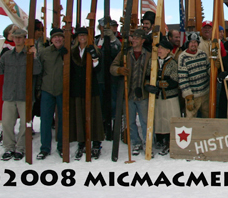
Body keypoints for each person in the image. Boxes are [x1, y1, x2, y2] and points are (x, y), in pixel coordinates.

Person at [0, 28, 41, 161]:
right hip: (9, 95)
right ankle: (8, 148)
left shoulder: (29, 55)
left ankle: (20, 148)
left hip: (25, 95)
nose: (18, 40)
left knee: (25, 124)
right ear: (12, 39)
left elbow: (37, 70)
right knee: (7, 124)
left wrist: (35, 57)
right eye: (16, 37)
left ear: (25, 39)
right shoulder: (7, 55)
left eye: (21, 37)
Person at [110, 28, 152, 156]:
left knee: (145, 121)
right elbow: (112, 67)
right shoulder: (125, 53)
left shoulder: (149, 55)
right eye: (133, 37)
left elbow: (152, 73)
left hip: (143, 94)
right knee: (130, 121)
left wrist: (147, 83)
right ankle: (136, 142)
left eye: (137, 38)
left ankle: (147, 143)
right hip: (128, 93)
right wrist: (119, 70)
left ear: (143, 40)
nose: (134, 40)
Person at [69, 27, 104, 160]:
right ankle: (81, 141)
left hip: (91, 87)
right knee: (80, 114)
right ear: (77, 38)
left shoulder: (94, 50)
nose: (82, 37)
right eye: (80, 35)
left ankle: (95, 142)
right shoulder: (73, 51)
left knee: (93, 114)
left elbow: (98, 69)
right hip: (77, 88)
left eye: (85, 35)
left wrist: (94, 57)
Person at [36, 28, 67, 159]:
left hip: (62, 89)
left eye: (60, 37)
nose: (57, 39)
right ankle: (45, 148)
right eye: (55, 37)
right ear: (51, 39)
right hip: (47, 89)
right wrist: (38, 89)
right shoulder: (44, 53)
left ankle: (61, 146)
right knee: (46, 119)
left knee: (62, 120)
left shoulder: (67, 52)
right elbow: (39, 71)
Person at [150, 39, 179, 156]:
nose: (159, 50)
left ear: (168, 51)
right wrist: (149, 85)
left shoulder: (172, 63)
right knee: (159, 118)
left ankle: (169, 141)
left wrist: (157, 84)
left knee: (169, 118)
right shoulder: (153, 62)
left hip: (170, 97)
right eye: (159, 48)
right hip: (157, 96)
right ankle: (160, 139)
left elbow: (174, 80)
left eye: (161, 48)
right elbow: (148, 75)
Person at [178, 32, 210, 118]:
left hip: (205, 94)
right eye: (191, 42)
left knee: (207, 119)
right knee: (190, 121)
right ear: (187, 43)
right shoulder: (183, 57)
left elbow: (208, 70)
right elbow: (182, 78)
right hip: (192, 96)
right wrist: (188, 96)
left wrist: (215, 68)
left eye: (195, 42)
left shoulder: (203, 54)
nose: (193, 44)